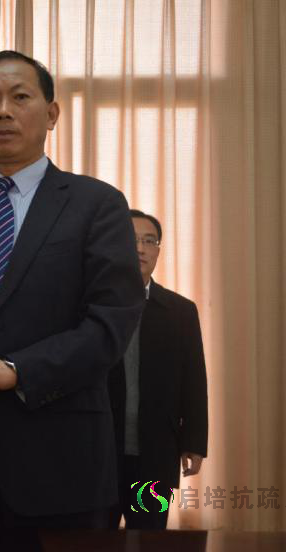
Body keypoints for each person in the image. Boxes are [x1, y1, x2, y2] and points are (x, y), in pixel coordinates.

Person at [0, 50, 144, 528]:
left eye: (20, 97)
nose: (4, 112)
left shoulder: (96, 204)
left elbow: (110, 325)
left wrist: (17, 369)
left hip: (57, 452)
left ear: (52, 114)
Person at [107, 209, 208, 529]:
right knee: (93, 540)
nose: (140, 248)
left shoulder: (180, 311)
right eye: (131, 239)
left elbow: (194, 379)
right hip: (98, 457)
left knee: (151, 539)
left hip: (155, 455)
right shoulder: (90, 306)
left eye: (149, 241)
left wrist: (194, 441)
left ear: (158, 251)